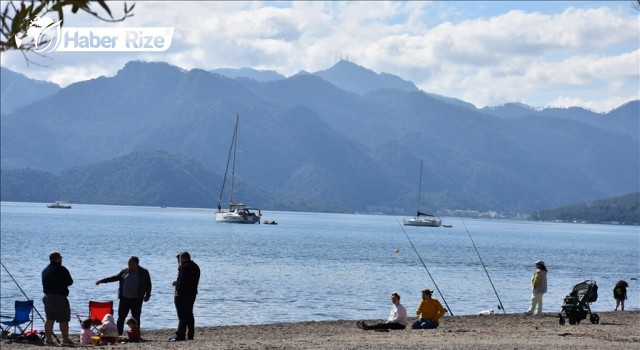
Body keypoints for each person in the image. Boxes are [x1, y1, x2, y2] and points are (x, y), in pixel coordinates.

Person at [96, 256, 152, 335]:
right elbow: (115, 278)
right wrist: (102, 281)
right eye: (128, 262)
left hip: (137, 299)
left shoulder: (143, 272)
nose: (128, 264)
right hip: (124, 299)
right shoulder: (125, 271)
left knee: (136, 318)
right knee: (121, 318)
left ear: (135, 263)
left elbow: (148, 284)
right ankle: (119, 334)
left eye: (130, 262)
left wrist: (148, 295)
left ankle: (136, 334)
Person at [41, 251, 74, 346]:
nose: (61, 260)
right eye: (61, 258)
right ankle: (66, 340)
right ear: (57, 259)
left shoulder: (45, 270)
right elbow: (70, 282)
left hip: (47, 297)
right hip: (59, 297)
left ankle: (48, 340)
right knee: (63, 319)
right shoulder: (62, 269)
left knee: (49, 319)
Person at [169, 252, 201, 341]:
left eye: (179, 259)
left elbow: (182, 281)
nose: (179, 261)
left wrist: (177, 291)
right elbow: (189, 280)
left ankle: (181, 334)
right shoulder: (195, 266)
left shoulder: (184, 267)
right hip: (192, 293)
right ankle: (190, 334)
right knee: (189, 314)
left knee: (182, 315)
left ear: (182, 258)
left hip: (182, 294)